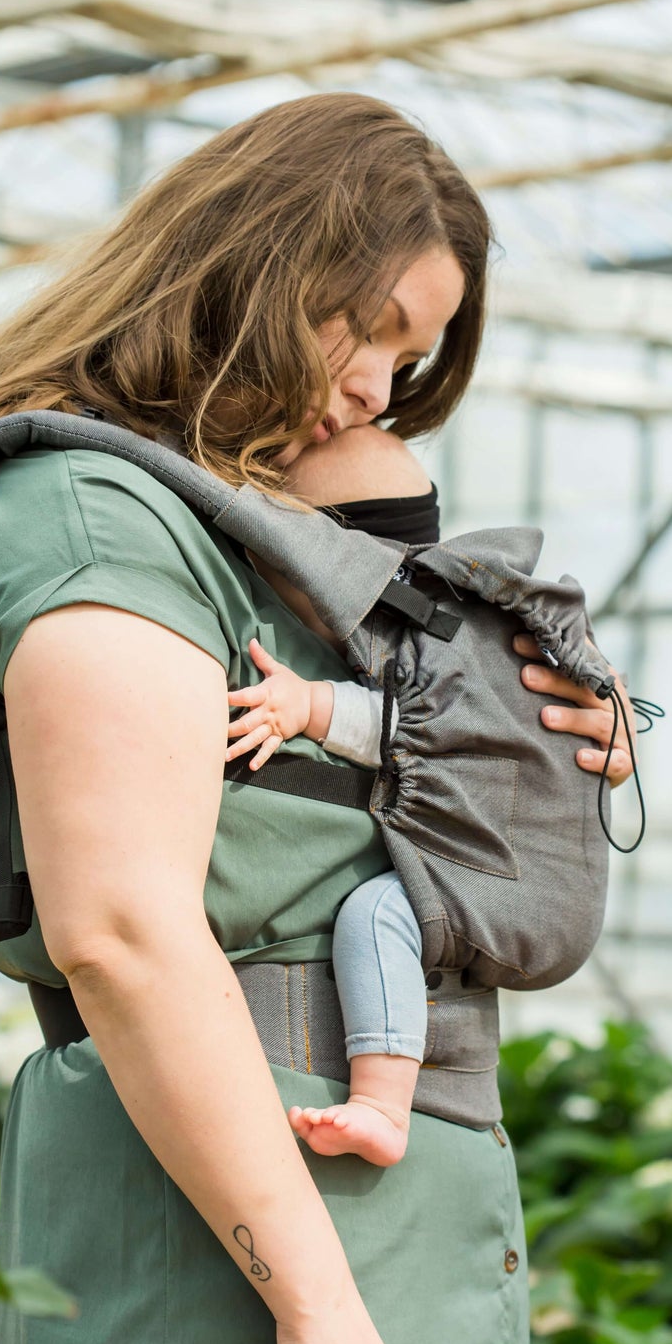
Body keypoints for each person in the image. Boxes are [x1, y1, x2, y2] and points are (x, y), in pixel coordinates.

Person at [0, 91, 638, 1344]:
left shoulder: (203, 516)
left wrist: (533, 720)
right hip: (245, 1226)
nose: (377, 390)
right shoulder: (92, 506)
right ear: (253, 266)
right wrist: (315, 1302)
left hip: (335, 1184)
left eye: (409, 360)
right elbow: (123, 929)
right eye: (361, 331)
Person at [226, 423, 454, 1168]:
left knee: (378, 914)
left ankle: (383, 1105)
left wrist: (309, 707)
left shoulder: (435, 632)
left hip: (465, 862)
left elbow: (419, 721)